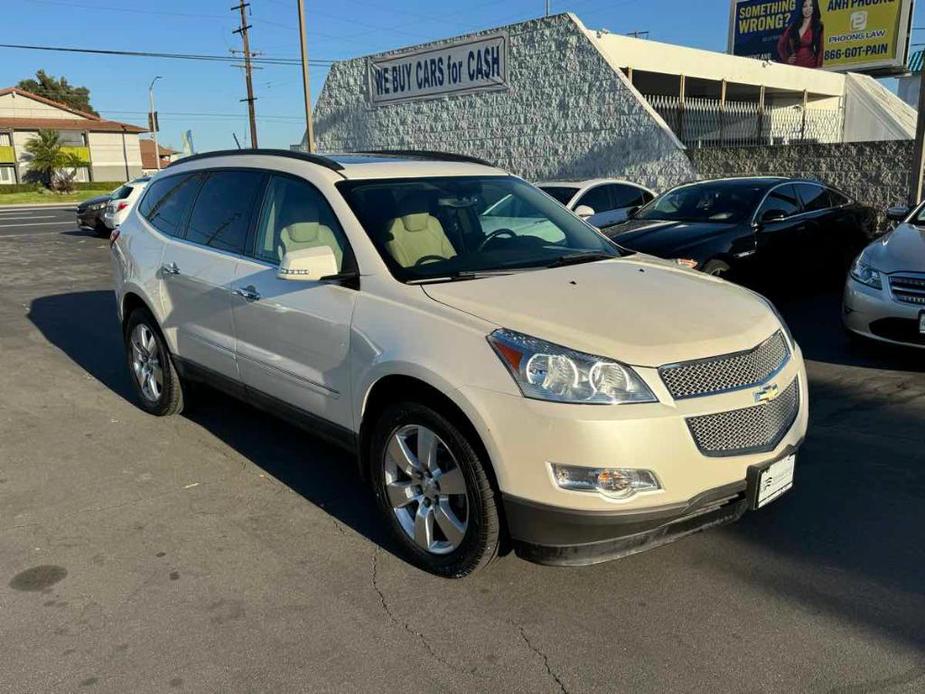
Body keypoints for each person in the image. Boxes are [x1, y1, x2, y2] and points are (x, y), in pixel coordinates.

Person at [777, 0, 824, 68]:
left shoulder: (818, 25)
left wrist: (818, 67)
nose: (807, 9)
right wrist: (786, 59)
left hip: (810, 64)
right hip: (794, 65)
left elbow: (820, 50)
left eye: (811, 6)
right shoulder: (794, 26)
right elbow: (781, 44)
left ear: (814, 7)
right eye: (804, 6)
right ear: (801, 8)